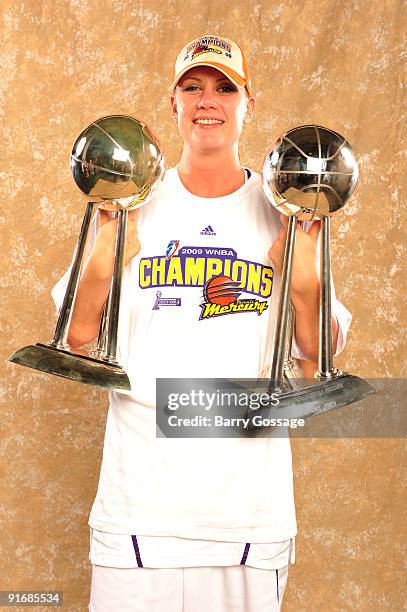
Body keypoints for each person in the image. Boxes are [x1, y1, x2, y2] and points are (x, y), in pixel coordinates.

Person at [52, 34, 351, 612]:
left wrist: (302, 271)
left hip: (247, 514)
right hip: (140, 508)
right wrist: (115, 235)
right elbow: (78, 335)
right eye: (193, 88)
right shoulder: (133, 200)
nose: (207, 101)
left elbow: (317, 363)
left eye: (223, 88)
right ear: (174, 103)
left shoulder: (285, 209)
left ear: (248, 105)